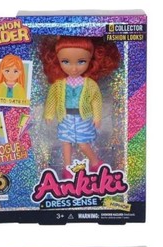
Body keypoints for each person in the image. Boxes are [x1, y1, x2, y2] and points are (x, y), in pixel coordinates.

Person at [40, 36, 120, 178]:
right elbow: (52, 99)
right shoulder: (58, 84)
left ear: (91, 61)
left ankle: (95, 163)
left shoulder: (90, 84)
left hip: (83, 118)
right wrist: (49, 114)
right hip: (65, 118)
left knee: (83, 143)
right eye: (65, 61)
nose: (74, 68)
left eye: (81, 61)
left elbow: (96, 100)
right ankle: (67, 168)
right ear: (57, 61)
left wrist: (97, 116)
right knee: (66, 143)